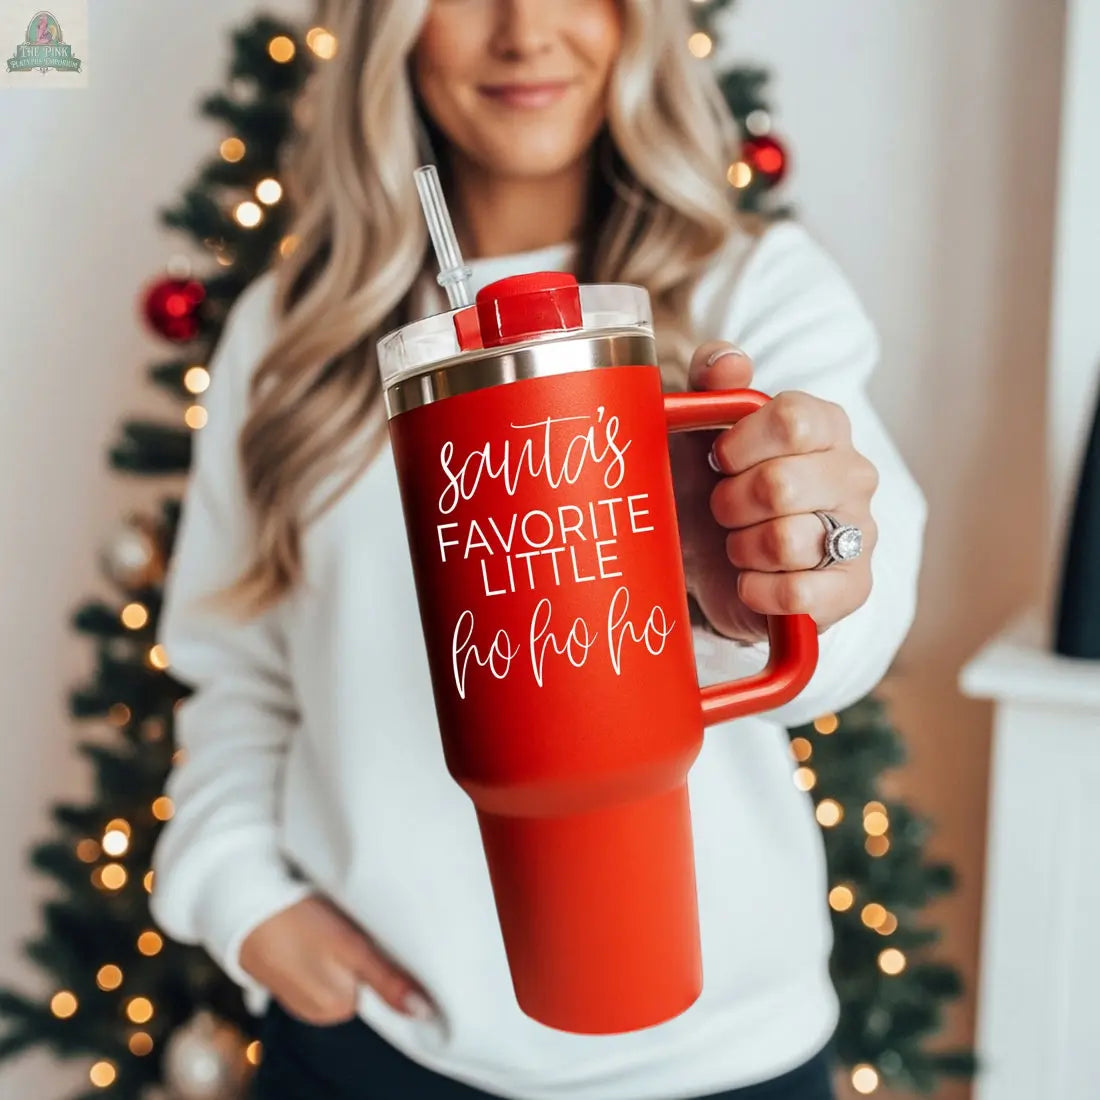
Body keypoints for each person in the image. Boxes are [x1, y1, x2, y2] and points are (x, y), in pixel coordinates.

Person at [150, 1, 927, 1098]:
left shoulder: (751, 287)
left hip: (718, 1058)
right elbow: (232, 664)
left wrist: (777, 582)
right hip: (372, 1041)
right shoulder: (288, 330)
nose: (525, 31)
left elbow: (862, 585)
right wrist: (239, 893)